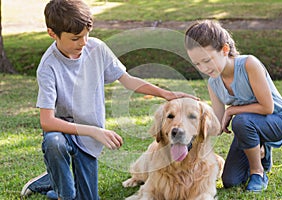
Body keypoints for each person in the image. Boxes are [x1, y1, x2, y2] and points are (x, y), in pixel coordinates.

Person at [20, 0, 198, 199]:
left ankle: (47, 182)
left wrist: (166, 94)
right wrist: (95, 131)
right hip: (63, 132)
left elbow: (128, 81)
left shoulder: (96, 48)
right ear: (52, 33)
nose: (84, 42)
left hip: (88, 139)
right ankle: (62, 190)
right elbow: (47, 121)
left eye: (87, 34)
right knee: (55, 144)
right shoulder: (48, 67)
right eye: (76, 38)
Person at [184, 20, 282, 192]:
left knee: (240, 121)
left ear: (225, 50)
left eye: (207, 60)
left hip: (277, 121)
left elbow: (267, 108)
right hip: (249, 126)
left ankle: (258, 172)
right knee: (231, 181)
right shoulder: (213, 82)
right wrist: (189, 134)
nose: (203, 68)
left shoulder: (249, 64)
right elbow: (218, 125)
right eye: (197, 64)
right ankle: (262, 150)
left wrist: (232, 110)